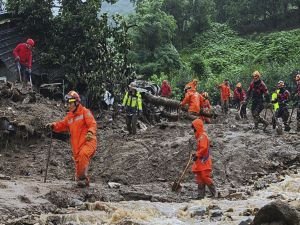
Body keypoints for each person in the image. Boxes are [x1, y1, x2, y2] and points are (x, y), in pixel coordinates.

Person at [46, 91, 97, 187]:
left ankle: (83, 179)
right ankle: (81, 182)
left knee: (83, 154)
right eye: (67, 103)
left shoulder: (85, 112)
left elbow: (92, 123)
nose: (68, 105)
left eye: (69, 103)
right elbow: (62, 125)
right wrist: (53, 125)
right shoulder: (69, 116)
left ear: (76, 102)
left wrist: (90, 132)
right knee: (78, 171)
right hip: (77, 146)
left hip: (88, 141)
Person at [191, 118, 216, 199]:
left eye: (194, 127)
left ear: (197, 127)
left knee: (205, 176)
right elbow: (201, 148)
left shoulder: (203, 136)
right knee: (200, 178)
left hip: (203, 160)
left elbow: (204, 148)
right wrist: (196, 154)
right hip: (200, 161)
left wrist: (197, 154)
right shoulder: (200, 136)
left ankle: (214, 193)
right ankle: (200, 196)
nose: (193, 129)